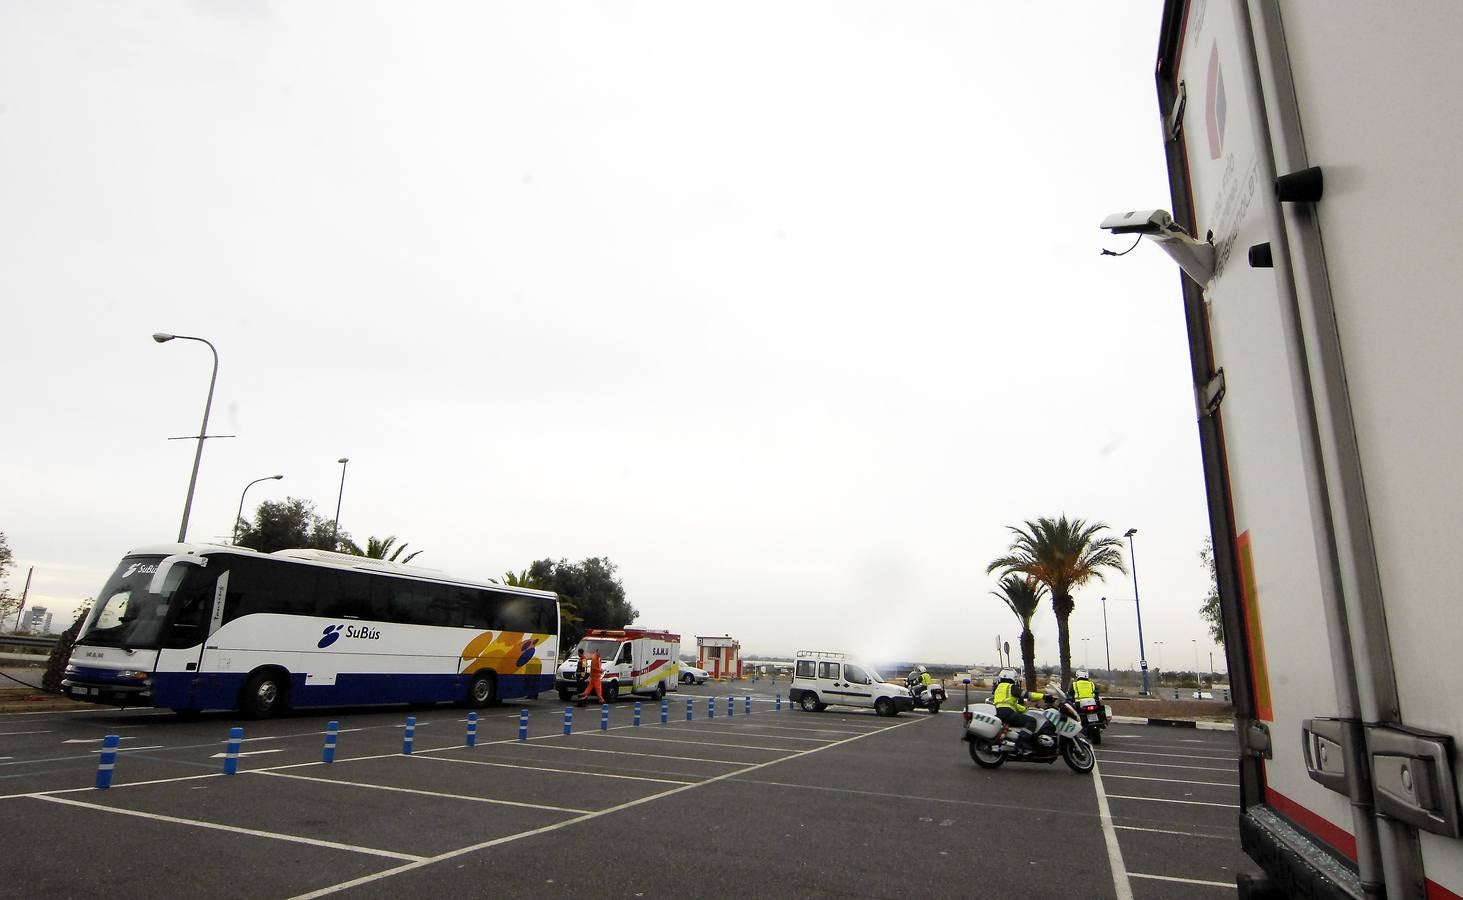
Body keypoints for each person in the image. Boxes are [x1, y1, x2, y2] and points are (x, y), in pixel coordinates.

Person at [991, 668, 1042, 751]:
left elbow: (1010, 704)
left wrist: (1025, 709)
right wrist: (1043, 696)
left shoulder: (998, 688)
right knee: (1032, 721)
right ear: (1012, 678)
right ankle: (1020, 743)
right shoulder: (1011, 687)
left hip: (1000, 713)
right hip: (1008, 713)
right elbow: (1027, 694)